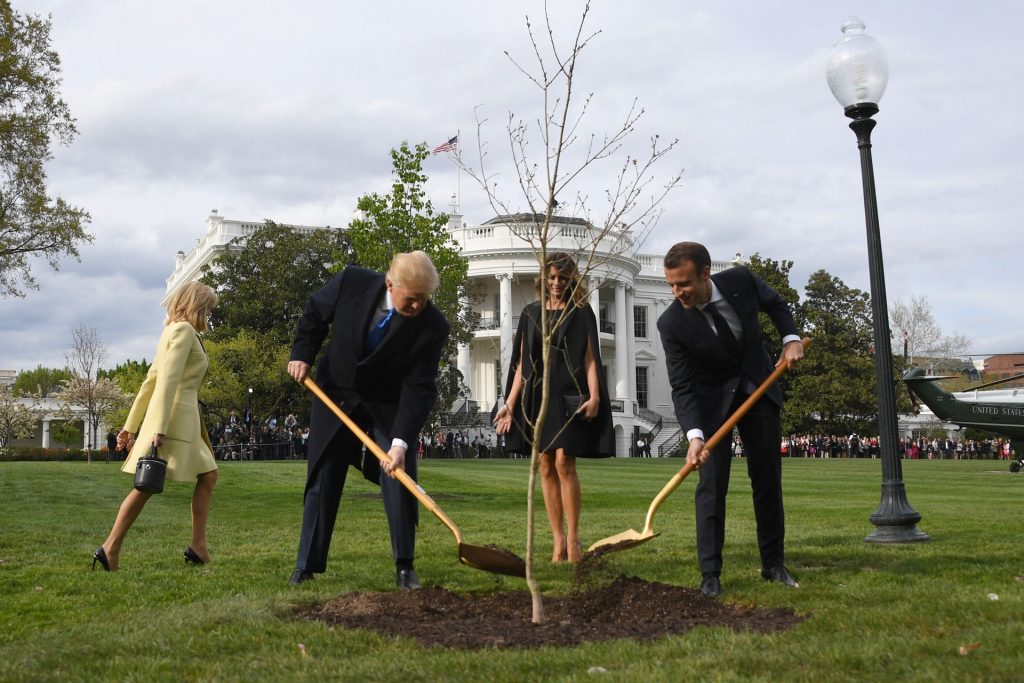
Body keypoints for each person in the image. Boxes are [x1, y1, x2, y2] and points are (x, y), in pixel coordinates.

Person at [286, 251, 449, 589]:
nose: (419, 307)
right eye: (412, 299)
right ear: (391, 284)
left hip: (387, 405)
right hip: (335, 393)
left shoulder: (433, 326)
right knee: (324, 475)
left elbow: (419, 387)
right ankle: (307, 565)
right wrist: (302, 355)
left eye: (424, 300)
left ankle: (405, 567)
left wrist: (401, 442)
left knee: (398, 475)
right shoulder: (352, 282)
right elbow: (315, 314)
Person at [658, 241, 804, 598]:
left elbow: (776, 304)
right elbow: (682, 385)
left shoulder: (742, 281)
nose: (678, 293)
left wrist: (791, 338)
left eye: (684, 284)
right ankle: (710, 575)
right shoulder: (671, 323)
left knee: (767, 480)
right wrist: (694, 435)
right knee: (711, 487)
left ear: (705, 273)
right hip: (710, 406)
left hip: (758, 388)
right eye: (672, 286)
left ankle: (773, 565)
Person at [494, 252, 614, 563]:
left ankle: (574, 540)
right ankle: (557, 542)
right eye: (551, 277)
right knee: (544, 465)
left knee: (564, 463)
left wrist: (596, 395)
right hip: (538, 396)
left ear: (571, 279)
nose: (556, 283)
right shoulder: (531, 313)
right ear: (544, 280)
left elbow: (590, 358)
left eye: (562, 277)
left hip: (570, 394)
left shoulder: (581, 312)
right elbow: (521, 365)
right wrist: (508, 404)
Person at [92, 282, 220, 572]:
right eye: (208, 307)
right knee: (147, 484)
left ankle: (198, 547)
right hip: (174, 421)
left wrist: (131, 425)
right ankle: (109, 547)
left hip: (181, 421)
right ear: (197, 305)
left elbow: (150, 380)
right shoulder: (184, 330)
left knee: (208, 475)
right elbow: (165, 381)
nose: (210, 313)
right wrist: (156, 428)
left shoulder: (174, 331)